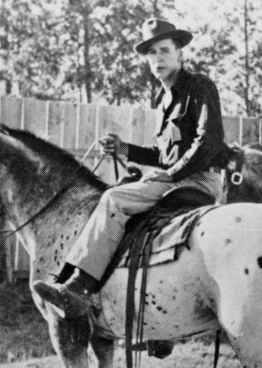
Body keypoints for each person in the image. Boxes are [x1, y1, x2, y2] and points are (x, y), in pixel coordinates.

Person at [33, 18, 229, 318]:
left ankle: (79, 286)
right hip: (176, 178)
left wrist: (172, 173)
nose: (158, 59)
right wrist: (125, 149)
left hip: (199, 180)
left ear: (180, 54)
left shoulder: (199, 86)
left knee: (114, 200)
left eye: (164, 50)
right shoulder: (163, 100)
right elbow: (165, 154)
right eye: (151, 53)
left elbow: (209, 141)